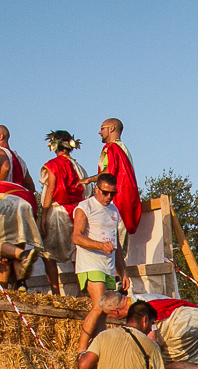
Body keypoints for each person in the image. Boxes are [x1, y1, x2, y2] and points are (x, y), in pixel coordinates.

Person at [72, 173, 131, 345]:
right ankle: (81, 348)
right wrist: (100, 246)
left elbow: (116, 245)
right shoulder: (85, 206)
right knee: (99, 306)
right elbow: (76, 237)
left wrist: (124, 272)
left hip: (108, 267)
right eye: (105, 193)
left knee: (104, 312)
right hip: (90, 264)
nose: (108, 197)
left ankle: (100, 349)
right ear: (96, 188)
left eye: (113, 193)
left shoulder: (114, 210)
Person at [39, 130, 87, 294]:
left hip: (58, 212)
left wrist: (43, 215)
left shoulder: (54, 165)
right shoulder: (79, 168)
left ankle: (56, 293)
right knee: (77, 254)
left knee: (48, 254)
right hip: (78, 212)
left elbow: (51, 188)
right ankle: (81, 292)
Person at [87, 118, 142, 235]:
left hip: (117, 201)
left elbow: (109, 172)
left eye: (102, 128)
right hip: (125, 200)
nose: (99, 132)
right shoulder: (122, 148)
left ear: (111, 128)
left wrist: (89, 179)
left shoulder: (113, 148)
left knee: (112, 241)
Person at [0, 125, 34, 194]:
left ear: (0, 137)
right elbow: (30, 186)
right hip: (16, 200)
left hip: (1, 198)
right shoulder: (20, 160)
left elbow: (5, 167)